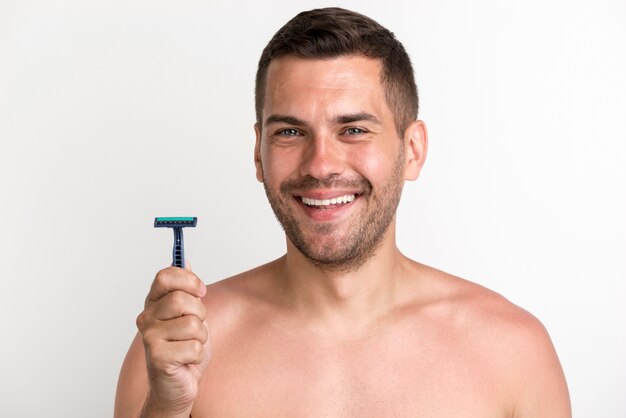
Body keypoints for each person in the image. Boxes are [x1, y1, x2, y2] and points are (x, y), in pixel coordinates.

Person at [115, 7, 571, 417]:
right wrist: (167, 407)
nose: (320, 165)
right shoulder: (177, 347)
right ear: (258, 153)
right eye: (291, 132)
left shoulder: (513, 353)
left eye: (353, 129)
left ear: (412, 150)